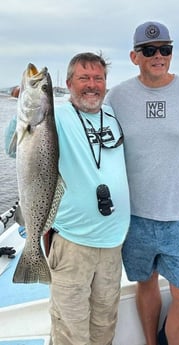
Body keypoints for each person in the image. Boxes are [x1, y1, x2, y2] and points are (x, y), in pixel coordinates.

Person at [104, 21, 179, 345]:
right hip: (134, 218)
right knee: (145, 283)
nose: (159, 56)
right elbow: (95, 142)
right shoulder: (117, 97)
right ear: (134, 56)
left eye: (165, 49)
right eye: (149, 50)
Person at [5, 52, 130, 345]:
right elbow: (14, 150)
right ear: (69, 83)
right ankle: (32, 256)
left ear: (105, 83)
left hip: (113, 244)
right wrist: (22, 108)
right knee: (70, 331)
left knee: (104, 323)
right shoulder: (54, 117)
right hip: (73, 243)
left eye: (98, 78)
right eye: (83, 78)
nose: (92, 85)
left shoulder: (112, 116)